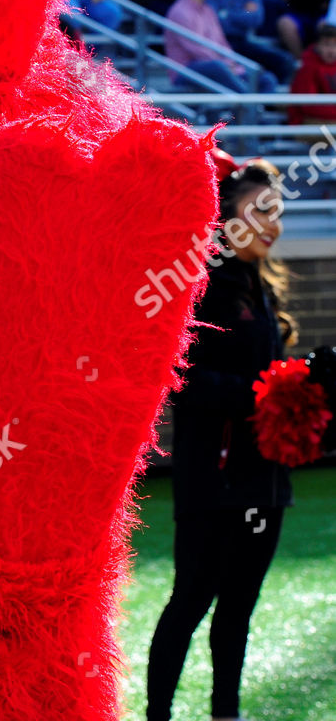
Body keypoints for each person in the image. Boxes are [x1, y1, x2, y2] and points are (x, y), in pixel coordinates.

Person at [145, 158, 293, 721]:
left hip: (264, 477)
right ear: (225, 218)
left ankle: (225, 714)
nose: (271, 225)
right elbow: (181, 380)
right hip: (213, 477)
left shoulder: (263, 287)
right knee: (191, 601)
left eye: (277, 213)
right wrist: (268, 392)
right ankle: (157, 713)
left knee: (238, 608)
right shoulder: (198, 285)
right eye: (259, 211)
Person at [165, 0, 279, 93]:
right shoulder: (180, 12)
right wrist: (225, 64)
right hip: (187, 71)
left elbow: (221, 43)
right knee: (217, 67)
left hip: (218, 67)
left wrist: (233, 63)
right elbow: (197, 50)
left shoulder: (208, 10)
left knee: (267, 79)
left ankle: (253, 110)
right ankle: (249, 105)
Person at [287, 22, 336, 124]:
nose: (332, 50)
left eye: (335, 45)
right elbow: (308, 106)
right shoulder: (308, 67)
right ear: (317, 46)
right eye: (327, 44)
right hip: (306, 122)